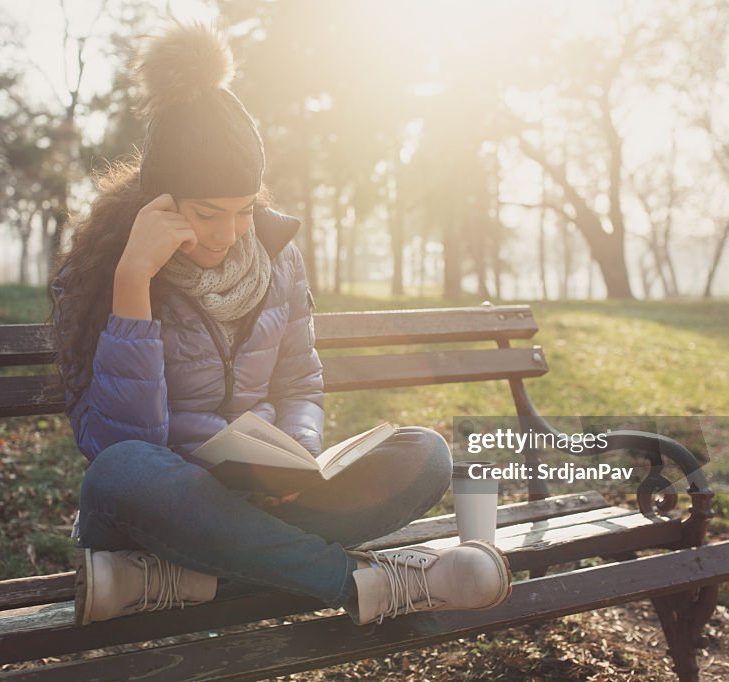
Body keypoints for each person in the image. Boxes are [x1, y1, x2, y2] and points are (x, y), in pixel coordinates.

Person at [49, 19, 512, 627]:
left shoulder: (277, 257)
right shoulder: (105, 271)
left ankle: (186, 578)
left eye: (243, 210)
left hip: (261, 502)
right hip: (156, 506)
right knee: (124, 469)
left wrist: (298, 457)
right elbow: (118, 441)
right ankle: (365, 586)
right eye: (207, 213)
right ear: (160, 201)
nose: (227, 234)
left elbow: (299, 383)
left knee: (422, 454)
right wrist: (133, 281)